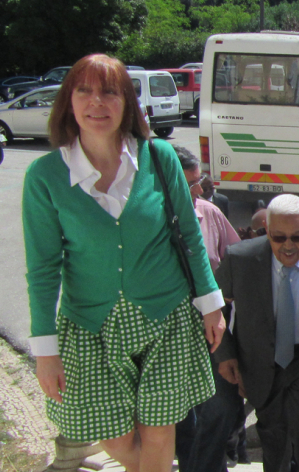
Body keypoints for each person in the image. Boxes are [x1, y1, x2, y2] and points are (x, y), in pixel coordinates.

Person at [23, 53, 225, 472]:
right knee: (113, 435)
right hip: (90, 325)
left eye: (110, 92)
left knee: (158, 428)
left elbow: (188, 235)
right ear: (69, 101)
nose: (97, 102)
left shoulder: (159, 157)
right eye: (85, 91)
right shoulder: (44, 177)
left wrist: (211, 303)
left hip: (165, 315)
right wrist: (45, 349)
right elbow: (42, 268)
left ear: (127, 104)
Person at [213, 194, 299, 472]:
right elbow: (213, 309)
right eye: (279, 238)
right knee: (272, 435)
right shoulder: (240, 259)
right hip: (263, 361)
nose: (288, 246)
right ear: (266, 229)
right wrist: (225, 355)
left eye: (298, 237)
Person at [172, 146, 244, 472]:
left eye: (199, 180)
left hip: (213, 334)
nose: (200, 189)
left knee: (222, 409)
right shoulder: (143, 224)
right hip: (170, 335)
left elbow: (236, 261)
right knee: (181, 417)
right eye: (190, 184)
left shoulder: (210, 213)